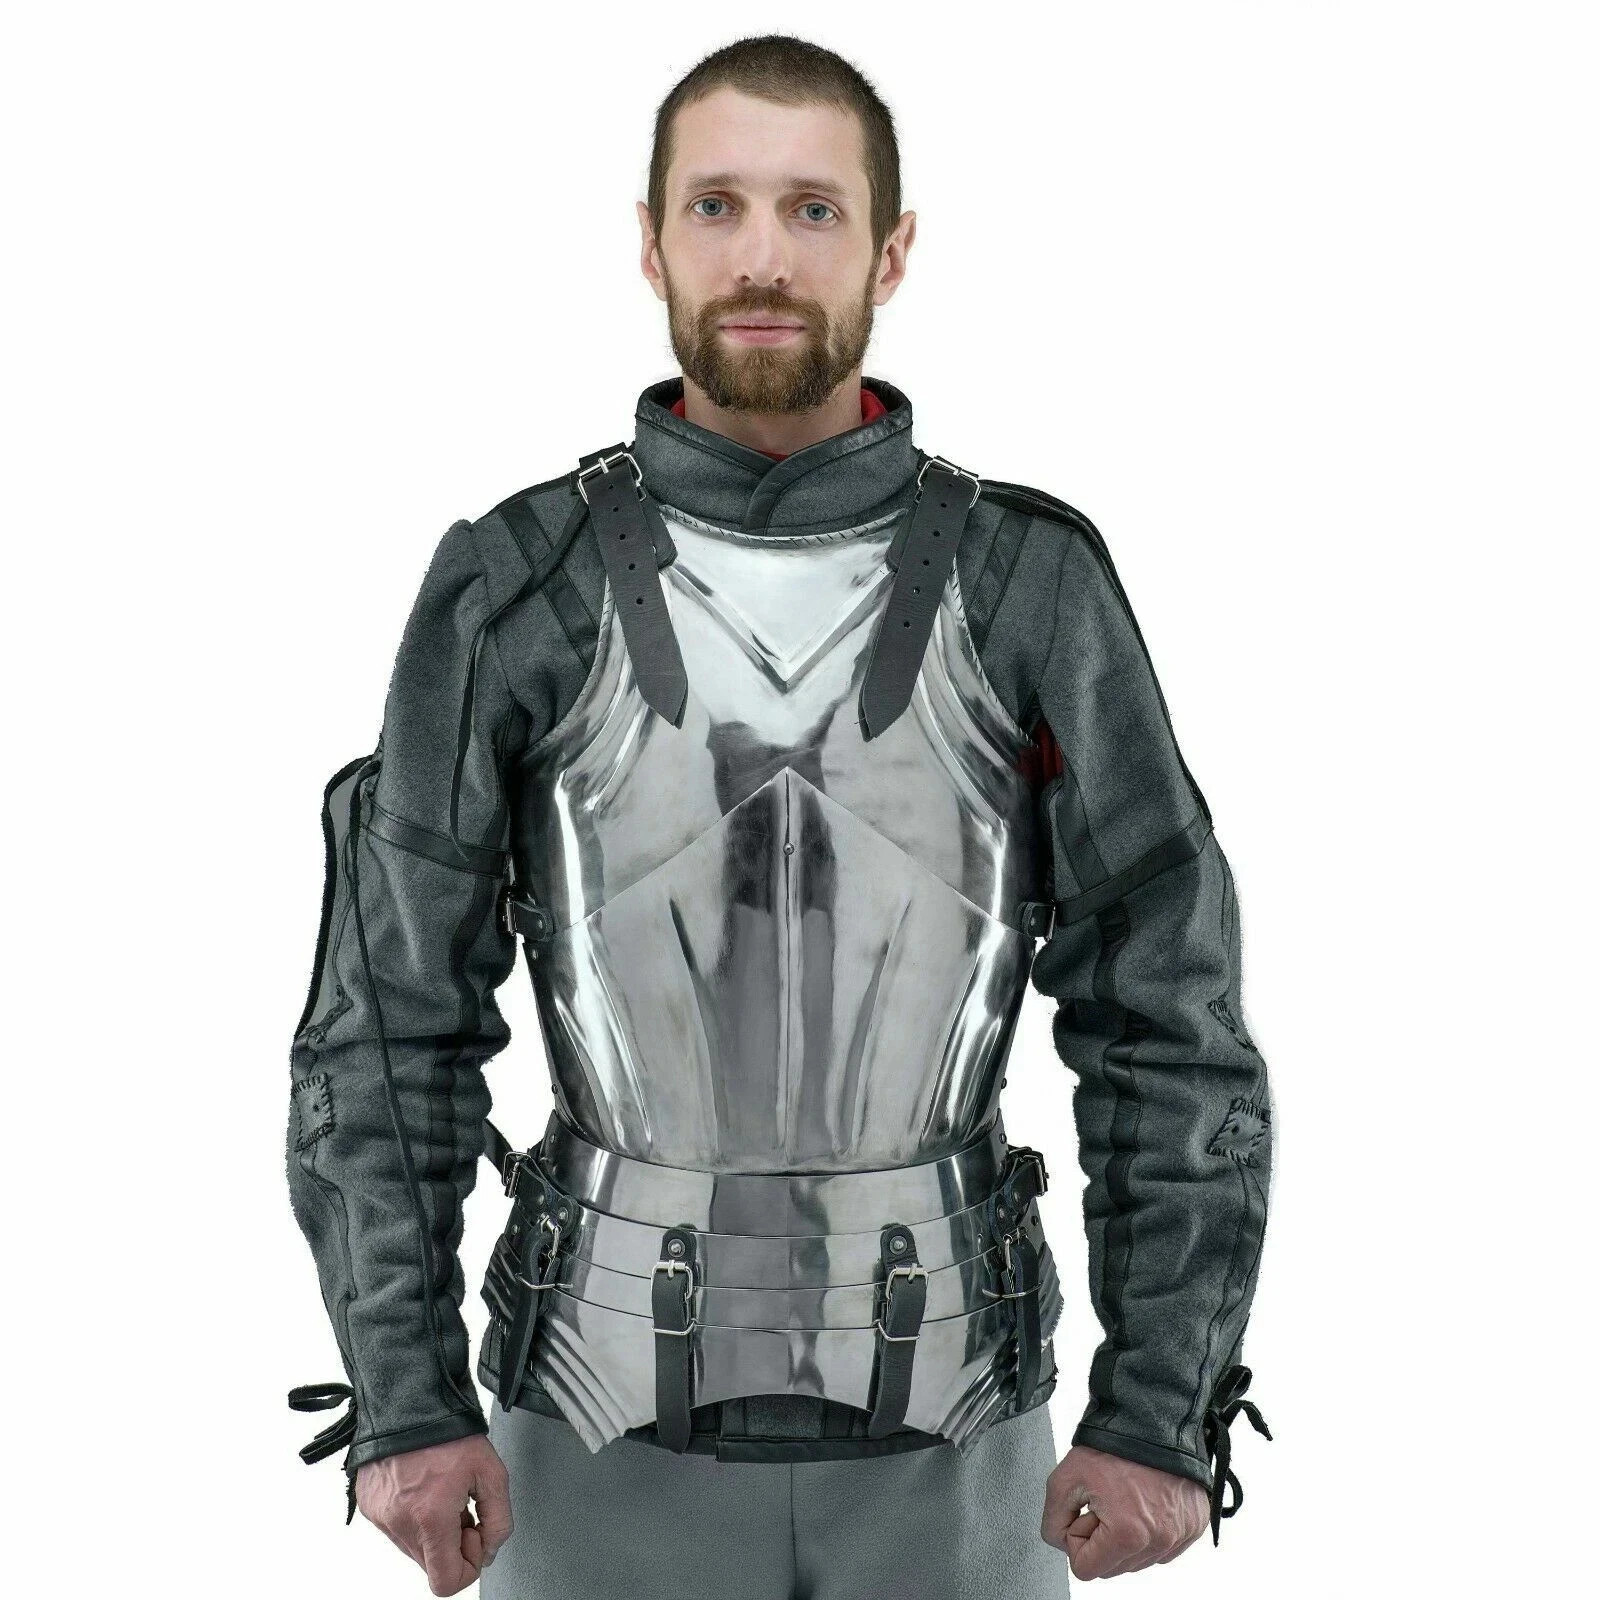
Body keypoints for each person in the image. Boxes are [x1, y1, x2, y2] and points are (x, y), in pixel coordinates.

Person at [285, 33, 1274, 1598]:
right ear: (650, 240)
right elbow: (384, 1027)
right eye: (718, 206)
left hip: (961, 1445)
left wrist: (1160, 1410)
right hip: (590, 1435)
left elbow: (1169, 1014)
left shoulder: (1032, 586)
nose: (762, 256)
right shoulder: (513, 587)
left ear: (891, 248)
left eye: (814, 210)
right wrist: (405, 1400)